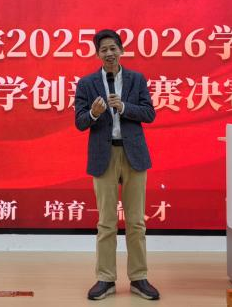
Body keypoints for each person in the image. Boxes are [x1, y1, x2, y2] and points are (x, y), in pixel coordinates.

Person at [74, 29, 159, 301]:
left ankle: (139, 277)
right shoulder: (87, 84)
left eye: (113, 48)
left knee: (136, 222)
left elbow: (149, 113)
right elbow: (79, 122)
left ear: (121, 50)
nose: (109, 53)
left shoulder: (136, 79)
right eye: (104, 50)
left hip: (134, 154)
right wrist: (93, 113)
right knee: (106, 223)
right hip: (104, 155)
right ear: (97, 54)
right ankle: (105, 278)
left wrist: (123, 107)